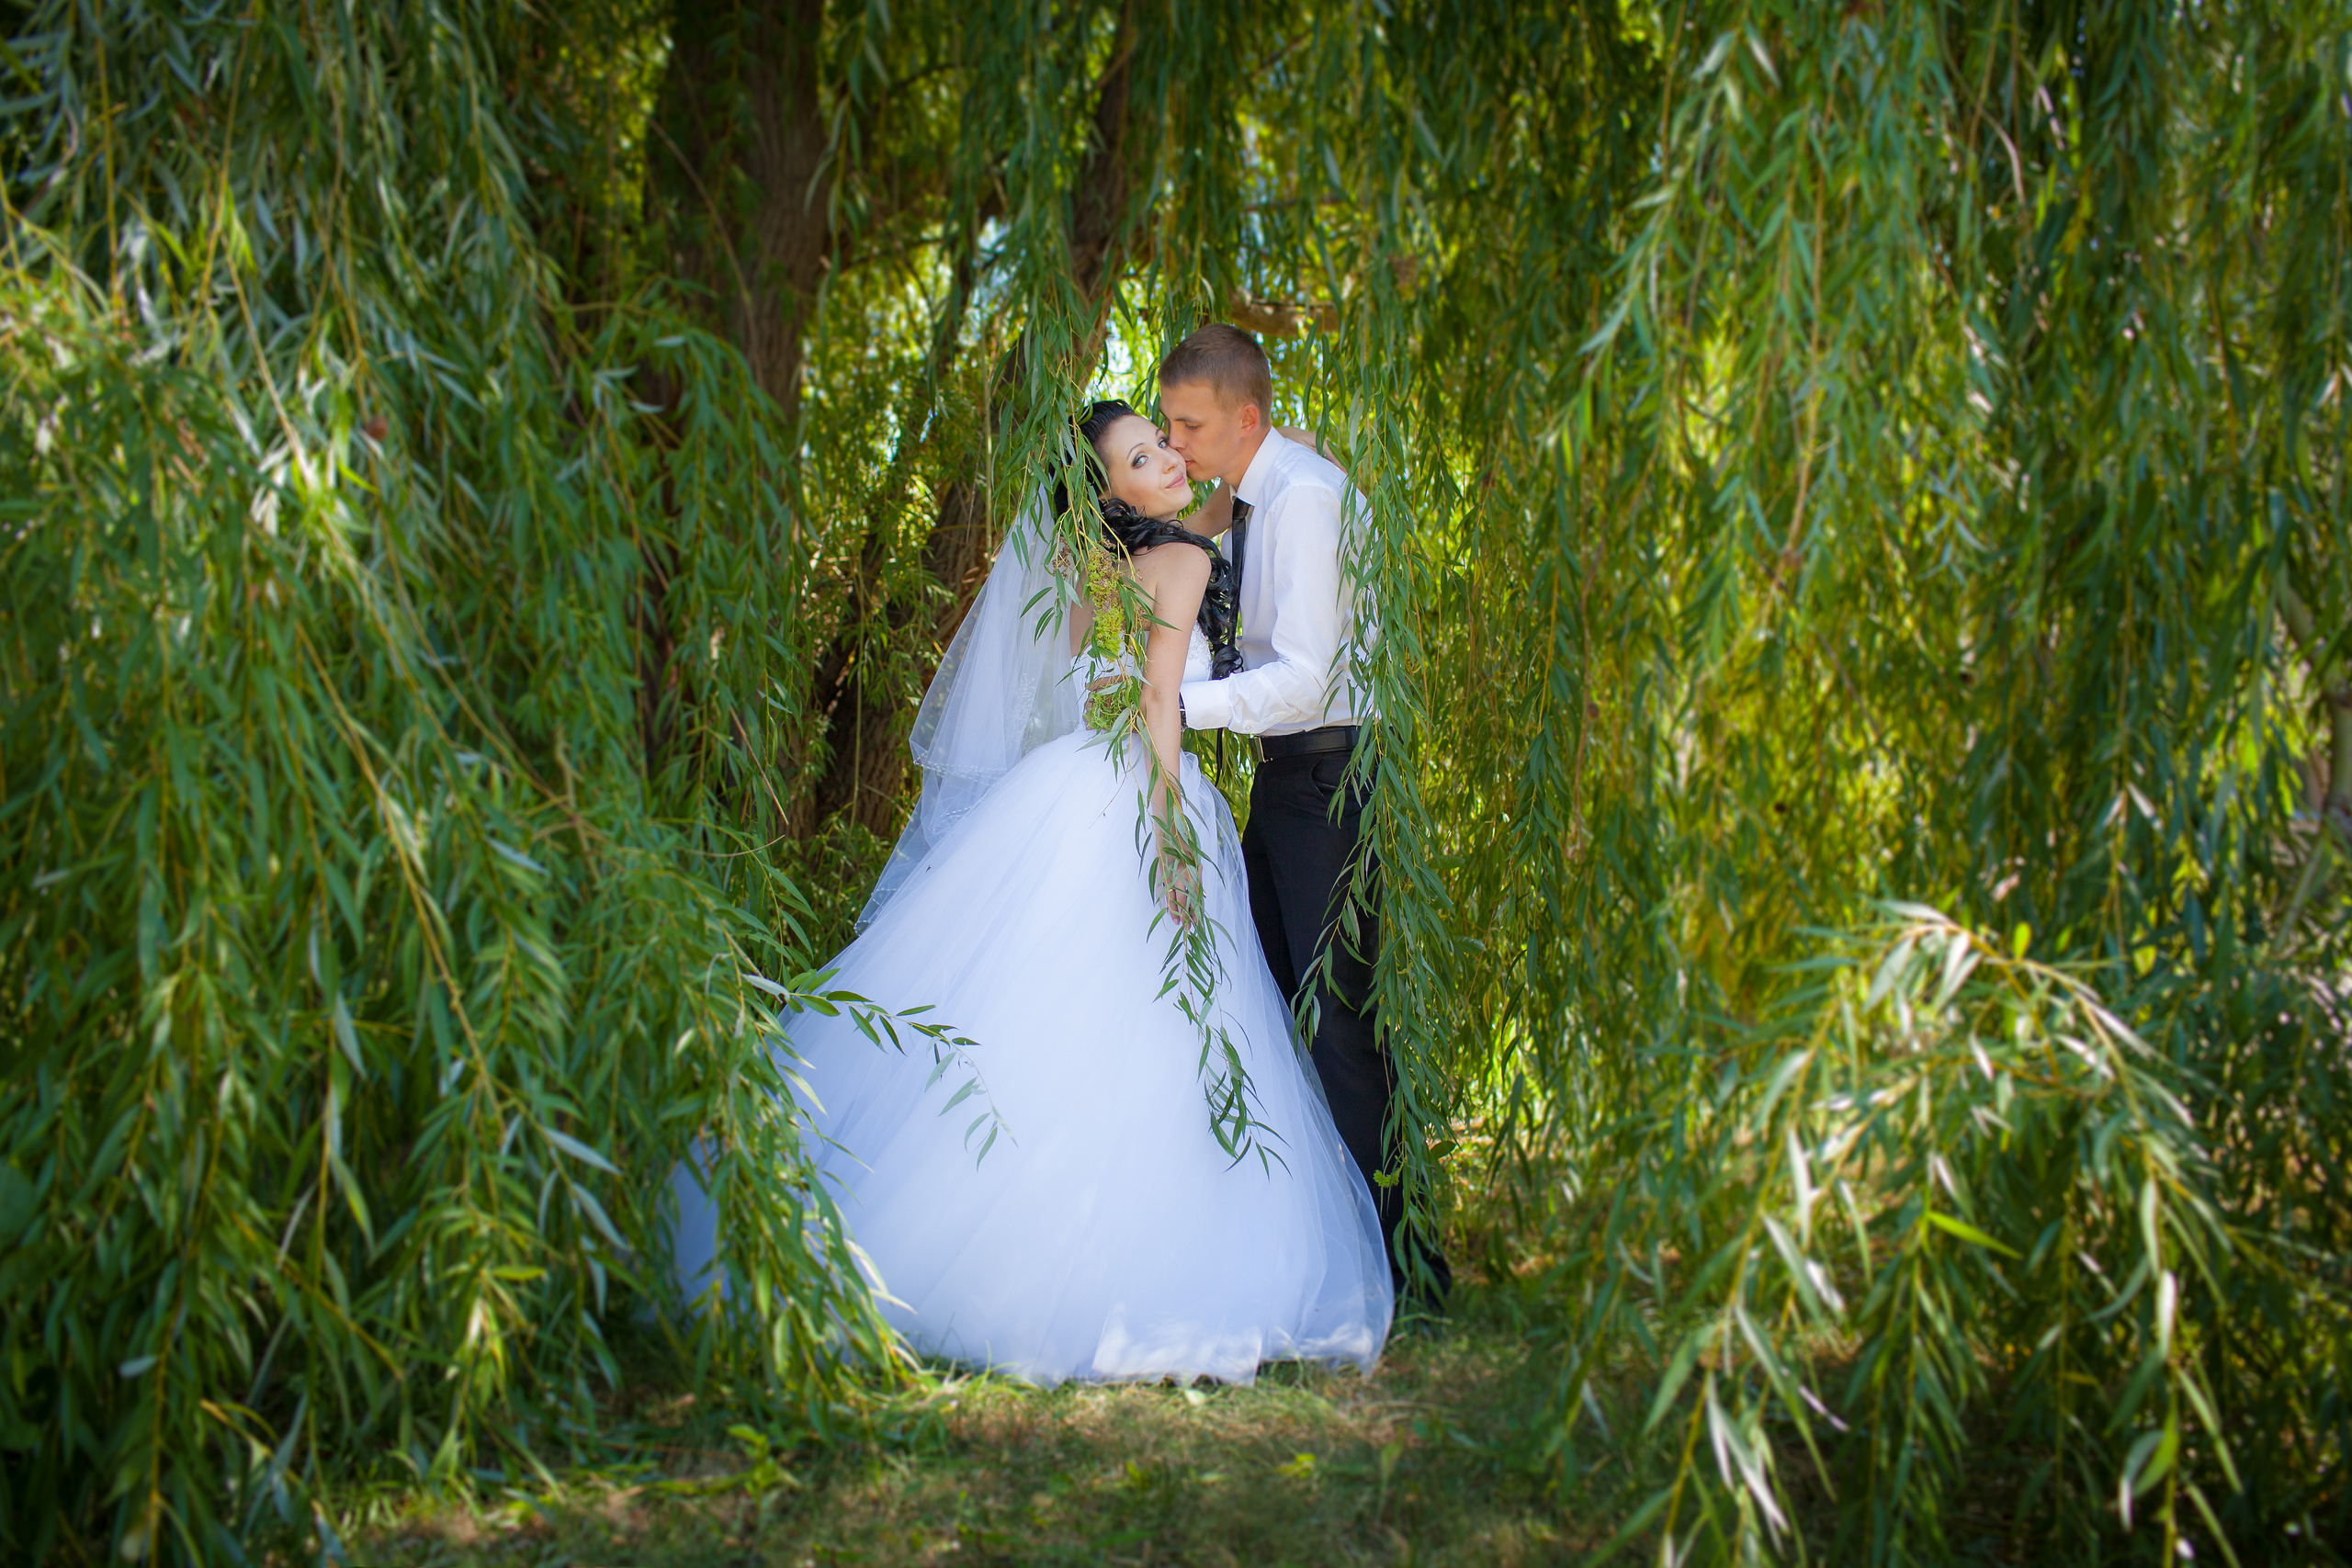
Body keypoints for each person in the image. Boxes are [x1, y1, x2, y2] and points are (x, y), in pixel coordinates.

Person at [670, 400, 1392, 1386]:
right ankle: (1118, 1250)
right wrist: (1175, 836)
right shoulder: (1178, 563)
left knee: (1041, 1017)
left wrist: (1270, 471)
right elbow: (1155, 707)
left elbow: (1111, 638)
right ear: (1111, 492)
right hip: (1140, 794)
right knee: (1144, 1024)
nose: (1172, 459)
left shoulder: (1098, 563)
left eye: (1166, 443)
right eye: (1145, 456)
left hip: (1063, 790)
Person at [1158, 323, 1453, 1305]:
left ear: (1246, 417)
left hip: (1326, 780)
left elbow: (1307, 679)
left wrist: (1171, 706)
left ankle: (1408, 1272)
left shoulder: (1304, 498)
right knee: (1273, 1005)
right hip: (1290, 780)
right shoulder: (1249, 498)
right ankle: (1317, 1250)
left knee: (1335, 1026)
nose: (1177, 443)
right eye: (1166, 425)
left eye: (1188, 424)